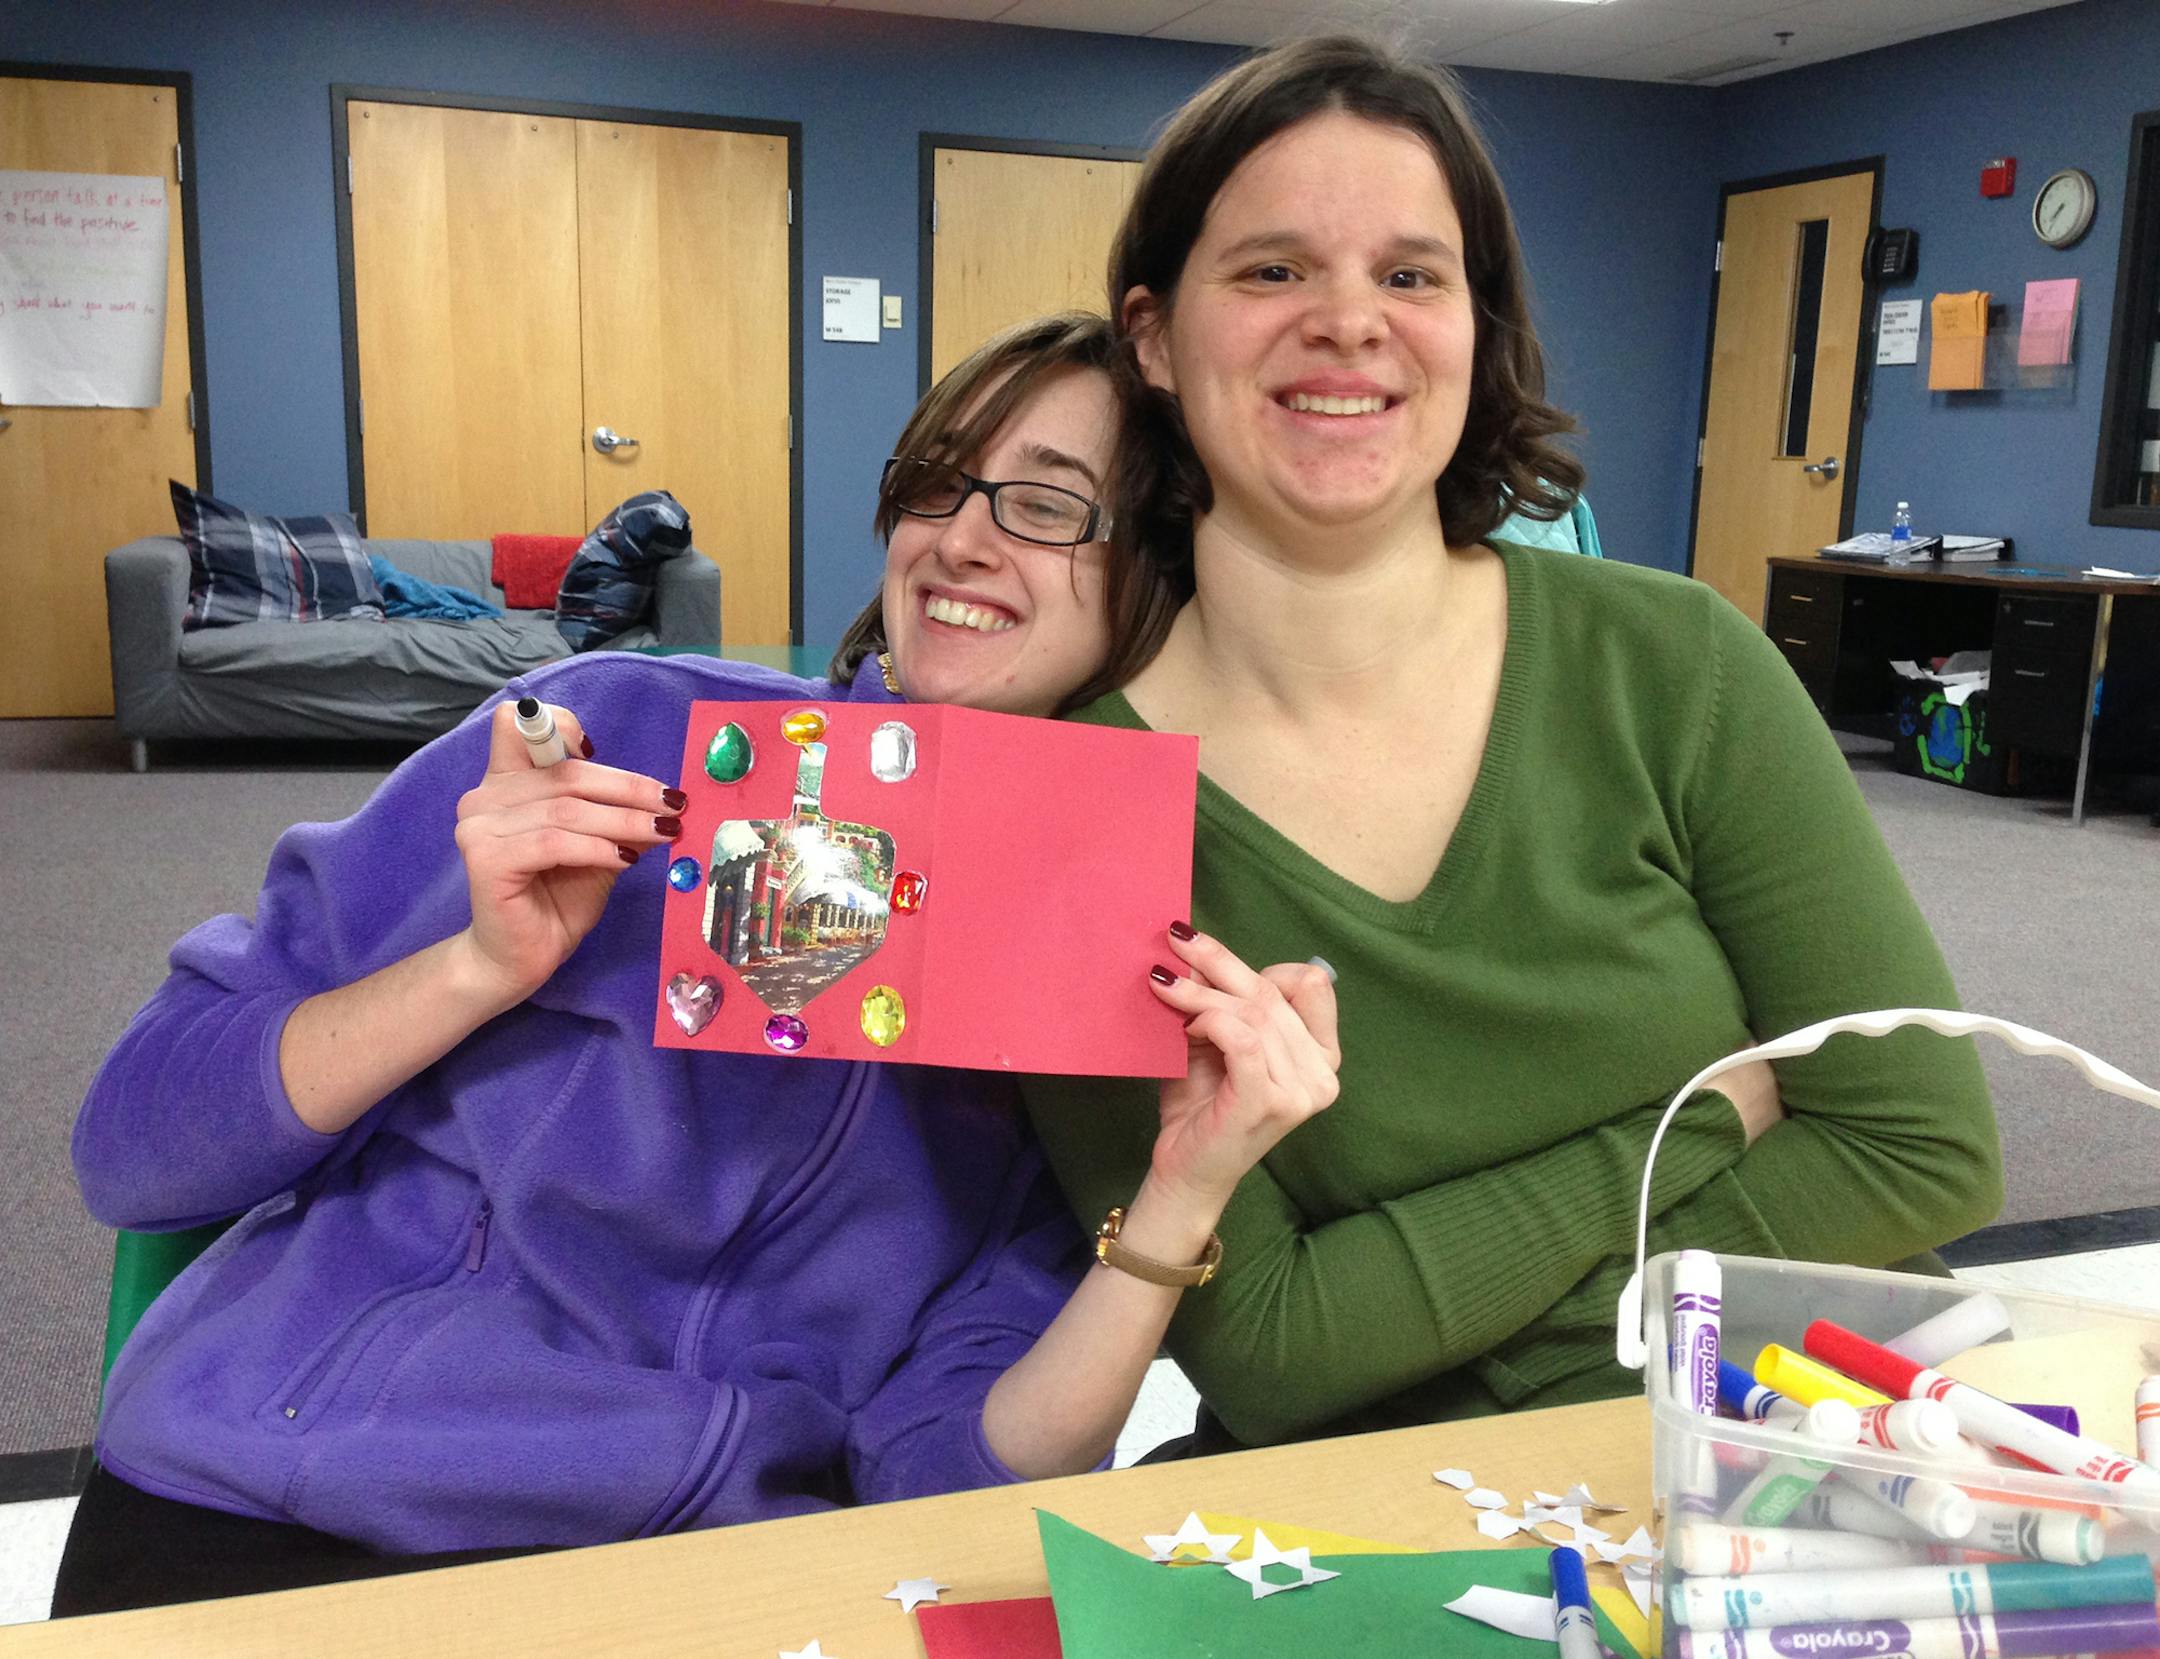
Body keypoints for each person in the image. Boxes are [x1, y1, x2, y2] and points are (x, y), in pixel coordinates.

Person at [57, 313, 1339, 1612]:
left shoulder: (1116, 971)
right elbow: (135, 1147)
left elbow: (947, 1491)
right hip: (276, 1502)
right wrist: (475, 968)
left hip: (694, 1578)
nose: (959, 537)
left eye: (1048, 507)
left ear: (1164, 578)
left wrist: (1179, 1196)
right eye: (937, 482)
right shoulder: (615, 731)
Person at [1018, 39, 2002, 1454]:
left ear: (1477, 331)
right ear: (1158, 337)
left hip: (1812, 1453)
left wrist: (1449, 1315)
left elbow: (1923, 1145)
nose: (1350, 323)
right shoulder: (1080, 808)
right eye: (1274, 270)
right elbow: (1272, 1351)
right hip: (1397, 1513)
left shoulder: (1678, 663)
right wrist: (1706, 1126)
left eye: (1412, 276)